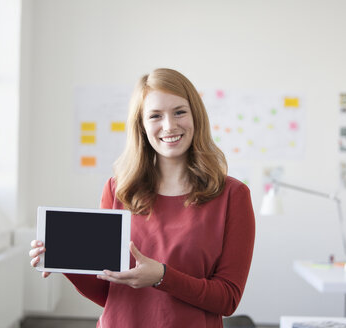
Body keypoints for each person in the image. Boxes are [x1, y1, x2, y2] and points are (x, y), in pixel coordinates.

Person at [29, 68, 255, 327]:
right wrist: (65, 261)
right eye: (155, 115)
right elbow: (109, 293)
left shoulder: (232, 195)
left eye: (179, 112)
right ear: (142, 126)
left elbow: (228, 299)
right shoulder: (118, 190)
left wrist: (162, 276)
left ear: (196, 116)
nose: (169, 125)